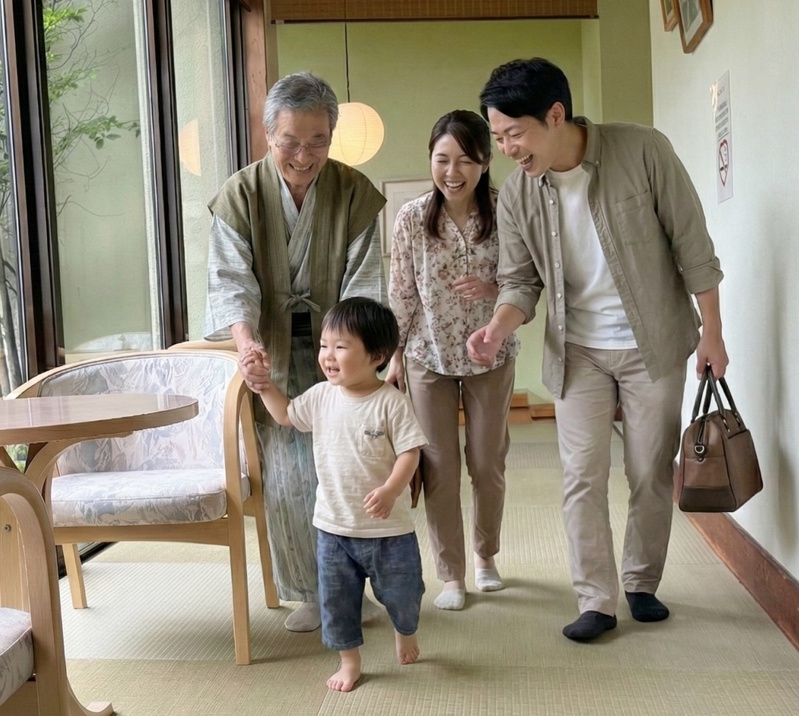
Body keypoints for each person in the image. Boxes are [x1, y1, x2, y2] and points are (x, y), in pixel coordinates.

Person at [467, 58, 728, 641]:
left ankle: (640, 582)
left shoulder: (643, 151)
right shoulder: (516, 195)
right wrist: (499, 327)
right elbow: (519, 282)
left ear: (555, 115)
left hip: (653, 343)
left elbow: (694, 247)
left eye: (515, 133)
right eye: (498, 135)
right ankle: (596, 600)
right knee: (581, 476)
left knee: (649, 470)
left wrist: (713, 333)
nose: (507, 147)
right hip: (577, 351)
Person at [204, 72, 387, 632]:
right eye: (290, 141)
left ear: (331, 135)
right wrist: (246, 343)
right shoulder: (240, 194)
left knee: (353, 473)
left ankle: (362, 588)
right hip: (274, 355)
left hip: (345, 356)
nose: (304, 155)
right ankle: (311, 591)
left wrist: (349, 351)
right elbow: (231, 279)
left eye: (318, 141)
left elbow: (365, 281)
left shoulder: (355, 192)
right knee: (288, 476)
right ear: (267, 135)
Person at [248, 297, 427, 691]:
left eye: (341, 347)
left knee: (403, 593)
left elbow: (411, 453)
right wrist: (264, 386)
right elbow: (286, 415)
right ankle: (349, 661)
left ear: (377, 355)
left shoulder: (392, 404)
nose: (328, 355)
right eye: (325, 345)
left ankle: (406, 630)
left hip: (388, 531)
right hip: (333, 527)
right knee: (337, 602)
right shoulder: (320, 396)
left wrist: (391, 489)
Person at [386, 110, 518, 611]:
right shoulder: (412, 219)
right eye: (442, 159)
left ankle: (485, 557)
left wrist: (492, 289)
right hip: (426, 356)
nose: (452, 171)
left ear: (485, 162)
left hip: (493, 356)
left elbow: (532, 281)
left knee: (487, 463)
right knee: (438, 466)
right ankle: (451, 574)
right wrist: (394, 357)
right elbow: (401, 293)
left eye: (465, 160)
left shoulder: (508, 211)